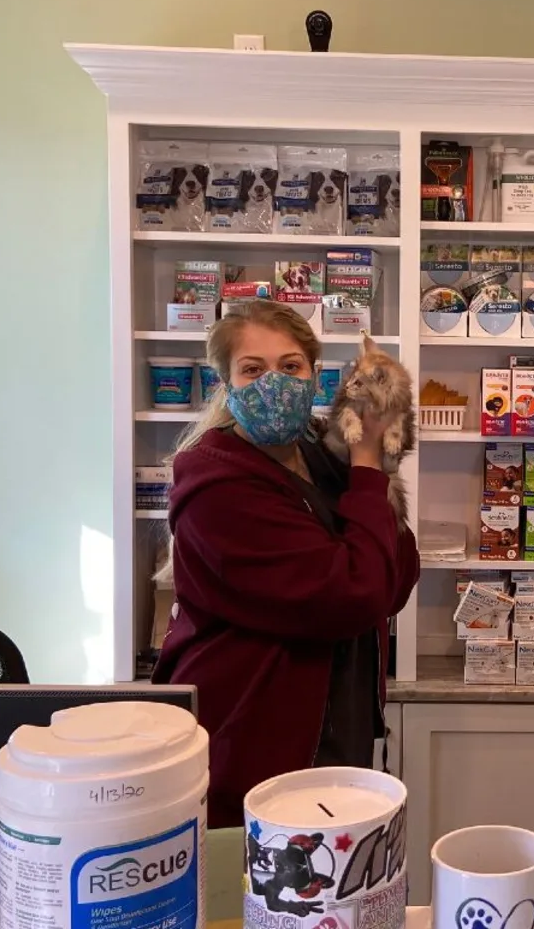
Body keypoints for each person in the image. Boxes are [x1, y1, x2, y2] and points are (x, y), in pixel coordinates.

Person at [153, 300, 419, 826]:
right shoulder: (217, 483)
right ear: (224, 382)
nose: (273, 382)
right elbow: (354, 596)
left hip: (332, 723)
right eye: (252, 369)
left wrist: (369, 471)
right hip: (253, 737)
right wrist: (368, 466)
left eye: (291, 366)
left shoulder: (319, 454)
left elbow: (394, 579)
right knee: (258, 896)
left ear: (316, 375)